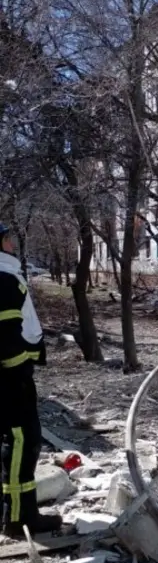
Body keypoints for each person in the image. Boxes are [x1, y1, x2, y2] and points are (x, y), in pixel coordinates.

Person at [0, 224, 62, 538]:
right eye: (7, 239)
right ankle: (18, 517)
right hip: (11, 378)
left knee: (19, 441)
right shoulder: (4, 279)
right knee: (23, 440)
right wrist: (20, 367)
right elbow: (6, 336)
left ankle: (21, 512)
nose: (12, 243)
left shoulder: (8, 276)